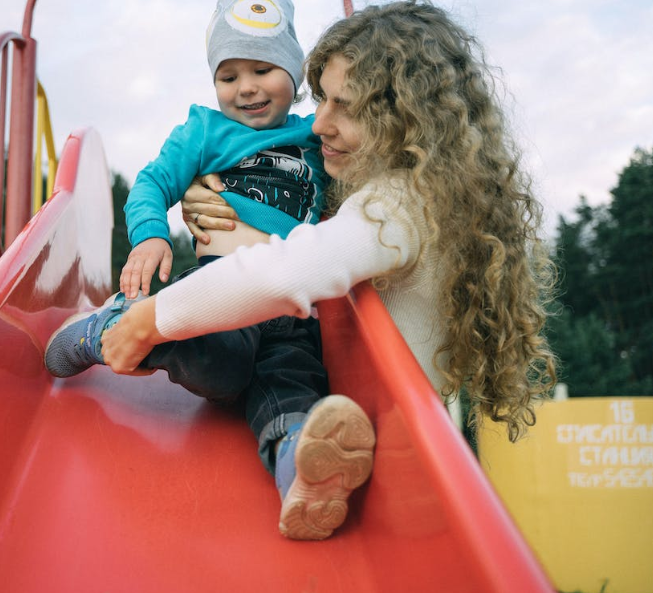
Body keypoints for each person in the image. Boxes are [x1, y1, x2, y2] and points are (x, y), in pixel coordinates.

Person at [100, 1, 558, 541]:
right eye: (321, 99)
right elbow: (302, 220)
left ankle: (120, 325)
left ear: (404, 117)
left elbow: (292, 269)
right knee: (242, 363)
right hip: (383, 450)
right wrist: (217, 199)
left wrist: (153, 316)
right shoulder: (397, 190)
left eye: (346, 106)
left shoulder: (397, 206)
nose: (318, 124)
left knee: (259, 368)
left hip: (386, 459)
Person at [45, 0, 372, 543]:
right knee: (222, 366)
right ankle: (112, 326)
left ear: (293, 74)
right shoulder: (203, 130)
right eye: (229, 75)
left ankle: (300, 468)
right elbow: (152, 183)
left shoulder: (316, 141)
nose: (246, 87)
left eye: (263, 70)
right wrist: (150, 235)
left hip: (294, 308)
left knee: (294, 384)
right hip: (225, 296)